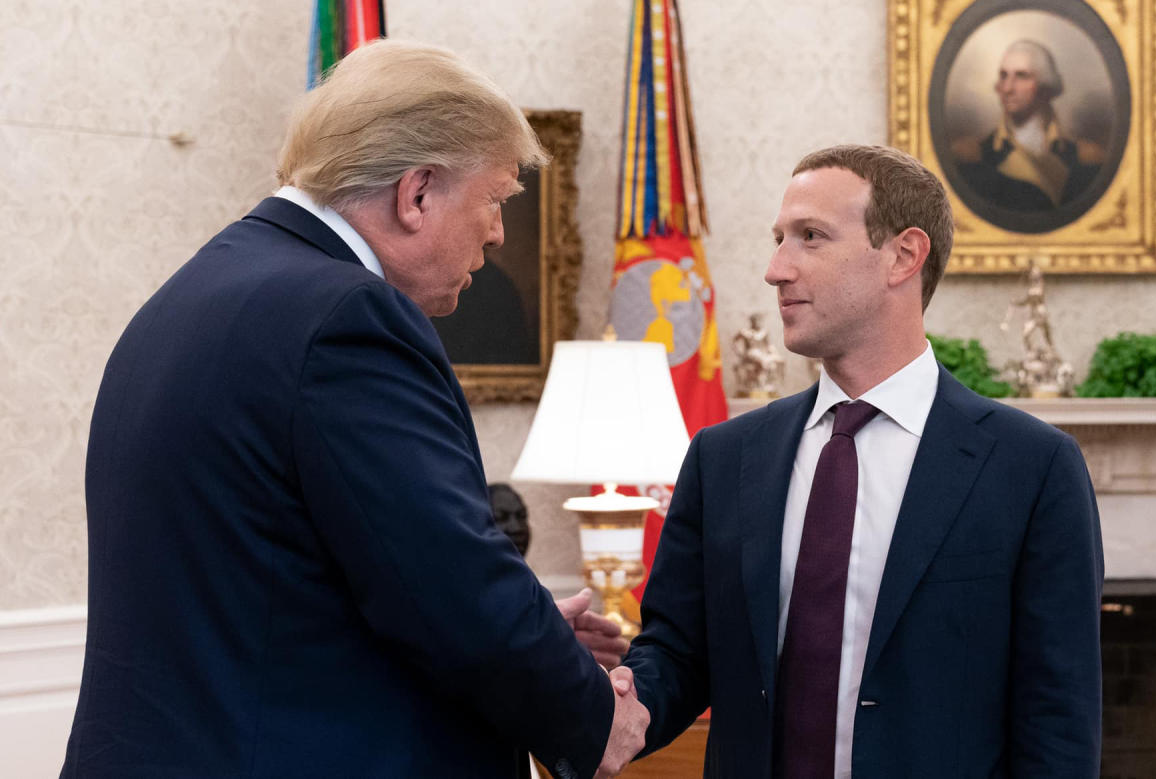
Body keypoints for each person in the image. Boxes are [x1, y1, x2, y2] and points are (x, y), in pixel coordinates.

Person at [61, 41, 646, 779]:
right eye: (496, 199)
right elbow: (453, 587)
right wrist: (591, 714)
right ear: (418, 192)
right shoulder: (347, 317)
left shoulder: (197, 289)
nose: (499, 233)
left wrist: (530, 640)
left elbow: (300, 579)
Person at [621, 145, 1103, 777]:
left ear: (904, 256)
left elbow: (1059, 723)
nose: (775, 269)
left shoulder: (1033, 468)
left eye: (810, 237)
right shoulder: (724, 457)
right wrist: (609, 708)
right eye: (778, 239)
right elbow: (678, 654)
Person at [955, 39, 1102, 211]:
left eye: (1021, 76)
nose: (1008, 88)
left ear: (1044, 86)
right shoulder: (974, 157)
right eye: (1004, 76)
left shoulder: (1084, 158)